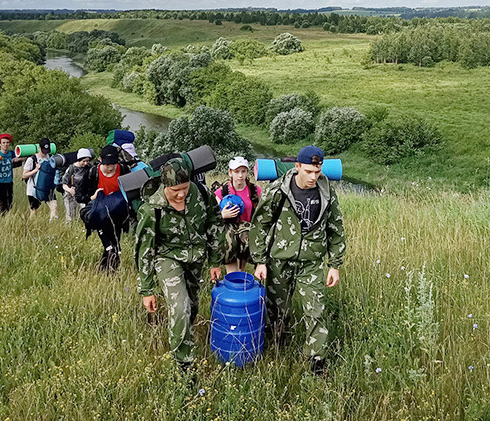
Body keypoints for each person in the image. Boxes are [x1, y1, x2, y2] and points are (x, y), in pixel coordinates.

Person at [248, 145, 346, 376]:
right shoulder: (278, 190)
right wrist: (260, 261)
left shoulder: (326, 191)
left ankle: (316, 362)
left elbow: (336, 228)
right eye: (309, 171)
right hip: (279, 260)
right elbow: (260, 224)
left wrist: (334, 265)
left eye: (317, 171)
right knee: (277, 309)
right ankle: (277, 347)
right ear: (298, 166)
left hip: (311, 262)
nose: (313, 177)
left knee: (316, 310)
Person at [135, 157, 224, 371]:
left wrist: (215, 261)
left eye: (185, 188)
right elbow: (144, 250)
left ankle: (184, 334)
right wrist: (146, 290)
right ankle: (184, 364)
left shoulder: (201, 193)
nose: (181, 194)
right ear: (165, 185)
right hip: (167, 257)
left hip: (196, 258)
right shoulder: (152, 209)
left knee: (192, 306)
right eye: (176, 190)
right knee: (180, 306)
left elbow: (214, 223)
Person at [76, 145, 131, 272]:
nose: (110, 167)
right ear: (100, 160)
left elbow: (131, 191)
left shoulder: (123, 170)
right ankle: (109, 271)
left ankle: (105, 271)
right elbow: (79, 196)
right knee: (110, 245)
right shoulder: (93, 173)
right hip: (99, 213)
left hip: (117, 213)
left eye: (113, 164)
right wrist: (92, 197)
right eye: (107, 164)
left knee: (114, 243)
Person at [214, 156, 262, 273]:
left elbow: (262, 213)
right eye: (236, 171)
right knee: (233, 274)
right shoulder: (221, 192)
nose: (240, 175)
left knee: (241, 271)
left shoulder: (255, 190)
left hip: (246, 235)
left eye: (243, 171)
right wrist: (222, 215)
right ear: (230, 172)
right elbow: (212, 218)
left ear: (247, 172)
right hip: (229, 235)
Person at [22, 137, 59, 220]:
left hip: (48, 188)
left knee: (54, 207)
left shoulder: (51, 158)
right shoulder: (32, 159)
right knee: (34, 211)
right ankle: (31, 225)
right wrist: (35, 170)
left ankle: (52, 223)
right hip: (33, 189)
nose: (45, 153)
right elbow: (24, 175)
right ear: (39, 148)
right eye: (43, 151)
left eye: (47, 151)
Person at [0, 134, 24, 214]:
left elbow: (25, 157)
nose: (6, 144)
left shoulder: (12, 153)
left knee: (8, 205)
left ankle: (6, 218)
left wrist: (18, 159)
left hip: (8, 183)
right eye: (3, 143)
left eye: (7, 142)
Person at [61, 148, 91, 222]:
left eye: (87, 161)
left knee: (85, 214)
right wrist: (70, 190)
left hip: (83, 194)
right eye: (83, 161)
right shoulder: (71, 168)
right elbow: (64, 184)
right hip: (71, 195)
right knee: (71, 216)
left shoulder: (89, 168)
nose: (85, 163)